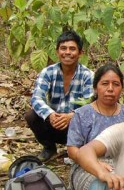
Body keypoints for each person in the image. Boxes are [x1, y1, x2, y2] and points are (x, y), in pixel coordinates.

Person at [67, 63, 124, 190]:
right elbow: (72, 150)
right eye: (105, 83)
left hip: (122, 165)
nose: (110, 89)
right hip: (87, 167)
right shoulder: (82, 114)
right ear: (95, 88)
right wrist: (96, 164)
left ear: (121, 88)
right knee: (104, 186)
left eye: (116, 84)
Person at [25, 29, 94, 161]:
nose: (67, 52)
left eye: (72, 49)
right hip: (55, 122)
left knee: (90, 117)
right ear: (57, 52)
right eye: (63, 48)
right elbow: (36, 97)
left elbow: (91, 104)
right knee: (31, 115)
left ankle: (79, 149)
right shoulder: (48, 72)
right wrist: (50, 114)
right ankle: (49, 147)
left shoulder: (88, 76)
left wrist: (72, 116)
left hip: (76, 127)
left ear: (80, 53)